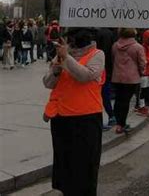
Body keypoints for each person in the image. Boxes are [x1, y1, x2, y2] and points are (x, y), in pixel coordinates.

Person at [42, 27, 105, 196]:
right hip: (62, 118)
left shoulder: (97, 54)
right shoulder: (61, 55)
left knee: (85, 166)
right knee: (65, 164)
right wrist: (56, 70)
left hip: (87, 118)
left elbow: (85, 76)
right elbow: (47, 83)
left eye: (69, 40)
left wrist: (67, 58)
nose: (66, 43)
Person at [111, 28, 146, 134]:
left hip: (117, 77)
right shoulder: (137, 47)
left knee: (118, 100)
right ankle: (122, 123)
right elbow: (142, 62)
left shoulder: (115, 46)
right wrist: (141, 72)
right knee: (126, 101)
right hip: (131, 78)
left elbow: (113, 59)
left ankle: (117, 122)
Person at [96, 27, 117, 130]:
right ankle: (111, 115)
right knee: (104, 94)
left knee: (101, 95)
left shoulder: (100, 33)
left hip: (100, 68)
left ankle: (109, 116)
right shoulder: (110, 33)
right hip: (107, 69)